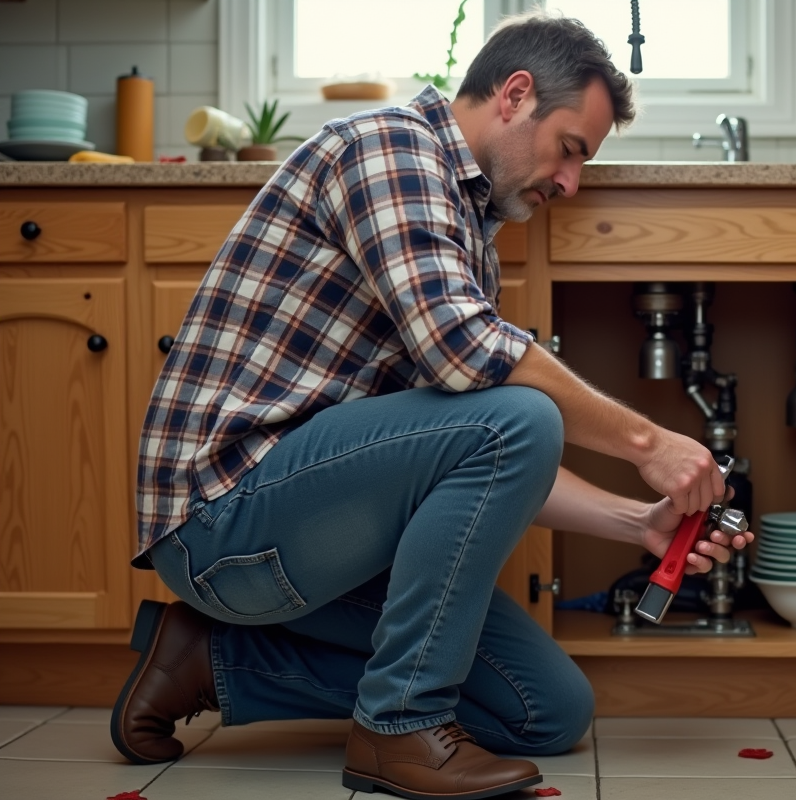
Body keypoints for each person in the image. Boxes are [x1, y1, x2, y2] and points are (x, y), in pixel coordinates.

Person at [110, 10, 753, 799]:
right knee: (520, 412)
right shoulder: (389, 150)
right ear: (515, 95)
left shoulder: (464, 232)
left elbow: (477, 454)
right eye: (571, 150)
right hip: (221, 520)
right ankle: (400, 726)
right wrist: (650, 443)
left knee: (546, 711)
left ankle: (210, 660)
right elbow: (471, 362)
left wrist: (637, 523)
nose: (570, 182)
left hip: (308, 528)